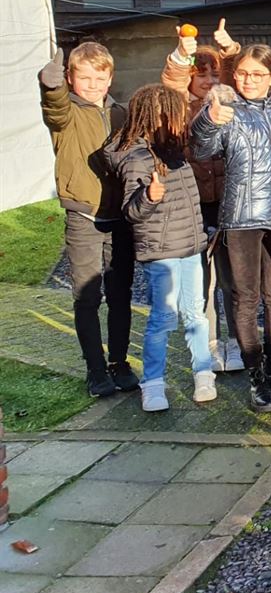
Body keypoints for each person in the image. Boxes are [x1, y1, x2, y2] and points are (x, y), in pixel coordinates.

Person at [191, 43, 271, 412]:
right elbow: (201, 150)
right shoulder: (225, 111)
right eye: (243, 73)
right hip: (240, 220)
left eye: (257, 74)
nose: (248, 80)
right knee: (245, 300)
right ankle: (257, 378)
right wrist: (206, 121)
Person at [104, 84, 215, 411]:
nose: (182, 122)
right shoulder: (138, 157)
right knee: (163, 318)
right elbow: (131, 211)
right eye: (176, 116)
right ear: (155, 118)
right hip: (161, 253)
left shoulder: (175, 150)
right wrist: (149, 197)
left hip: (190, 247)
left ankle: (203, 373)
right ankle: (152, 384)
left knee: (196, 313)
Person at [38, 43, 136, 398]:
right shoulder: (67, 113)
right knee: (87, 295)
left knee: (120, 293)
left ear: (110, 77)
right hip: (84, 215)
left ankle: (119, 362)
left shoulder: (121, 114)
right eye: (84, 77)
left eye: (100, 77)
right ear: (70, 77)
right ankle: (96, 370)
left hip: (120, 218)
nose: (93, 84)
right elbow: (55, 110)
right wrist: (51, 88)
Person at [161, 19, 244, 373]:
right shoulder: (179, 106)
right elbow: (173, 82)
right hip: (193, 206)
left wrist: (229, 51)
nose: (209, 82)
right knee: (202, 280)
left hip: (229, 203)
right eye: (202, 75)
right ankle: (209, 341)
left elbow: (234, 73)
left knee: (234, 278)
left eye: (214, 75)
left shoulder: (230, 104)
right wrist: (182, 55)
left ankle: (238, 341)